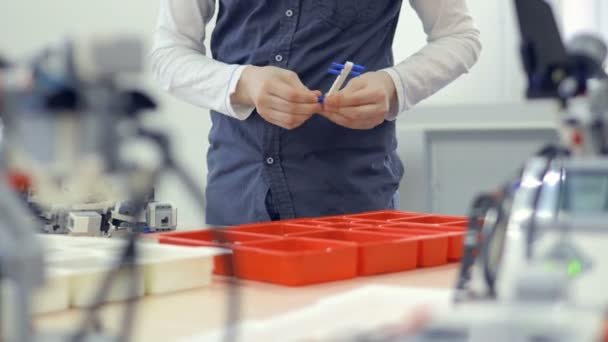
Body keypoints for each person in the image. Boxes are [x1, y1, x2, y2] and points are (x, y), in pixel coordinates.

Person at [151, 0, 481, 226]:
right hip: (237, 192)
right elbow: (169, 55)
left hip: (350, 200)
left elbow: (459, 36)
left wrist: (394, 85)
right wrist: (243, 83)